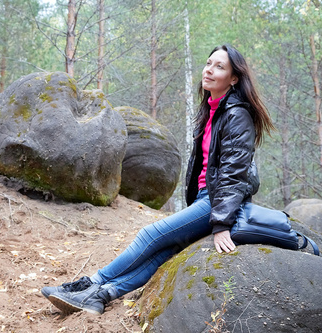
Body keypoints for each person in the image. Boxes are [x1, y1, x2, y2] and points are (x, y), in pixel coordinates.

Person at [41, 44, 275, 315]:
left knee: (150, 235)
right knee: (164, 252)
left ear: (234, 78)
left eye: (219, 67)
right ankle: (101, 296)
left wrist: (221, 223)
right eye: (208, 63)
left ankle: (89, 284)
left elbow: (234, 174)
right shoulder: (212, 110)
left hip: (216, 200)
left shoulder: (237, 115)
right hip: (206, 199)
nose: (209, 70)